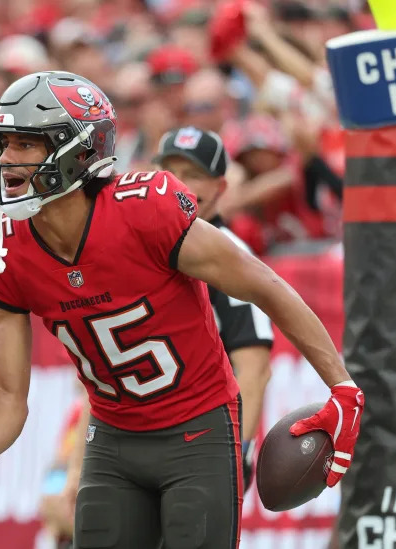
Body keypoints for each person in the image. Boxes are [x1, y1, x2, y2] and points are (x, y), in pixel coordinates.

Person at [0, 71, 363, 549]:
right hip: (112, 440)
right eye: (3, 145)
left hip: (198, 430)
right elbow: (6, 394)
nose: (7, 161)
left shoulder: (145, 209)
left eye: (26, 144)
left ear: (80, 151)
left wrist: (342, 387)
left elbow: (268, 287)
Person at [153, 126, 274, 491]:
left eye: (193, 175)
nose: (179, 184)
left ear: (220, 189)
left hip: (199, 439)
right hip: (137, 434)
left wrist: (239, 453)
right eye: (170, 173)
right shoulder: (140, 246)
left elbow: (254, 369)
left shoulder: (231, 255)